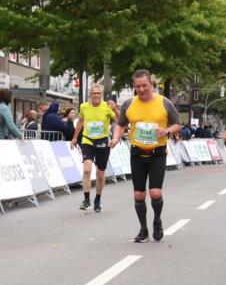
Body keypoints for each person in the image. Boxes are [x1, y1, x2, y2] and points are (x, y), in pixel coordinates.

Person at [111, 69, 182, 242]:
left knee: (155, 193)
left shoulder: (164, 102)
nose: (141, 89)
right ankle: (143, 229)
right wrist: (115, 137)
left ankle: (157, 221)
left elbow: (178, 124)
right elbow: (120, 124)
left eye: (144, 85)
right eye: (137, 86)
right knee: (139, 195)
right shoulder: (129, 104)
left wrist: (166, 130)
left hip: (157, 153)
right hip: (137, 153)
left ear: (151, 83)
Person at [71, 84, 119, 212]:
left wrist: (115, 109)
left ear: (101, 95)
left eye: (98, 93)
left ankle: (97, 199)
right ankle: (86, 200)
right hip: (88, 140)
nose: (96, 95)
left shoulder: (107, 107)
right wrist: (75, 137)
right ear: (90, 95)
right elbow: (81, 121)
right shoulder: (84, 107)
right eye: (94, 93)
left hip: (102, 142)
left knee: (100, 174)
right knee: (87, 169)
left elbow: (120, 120)